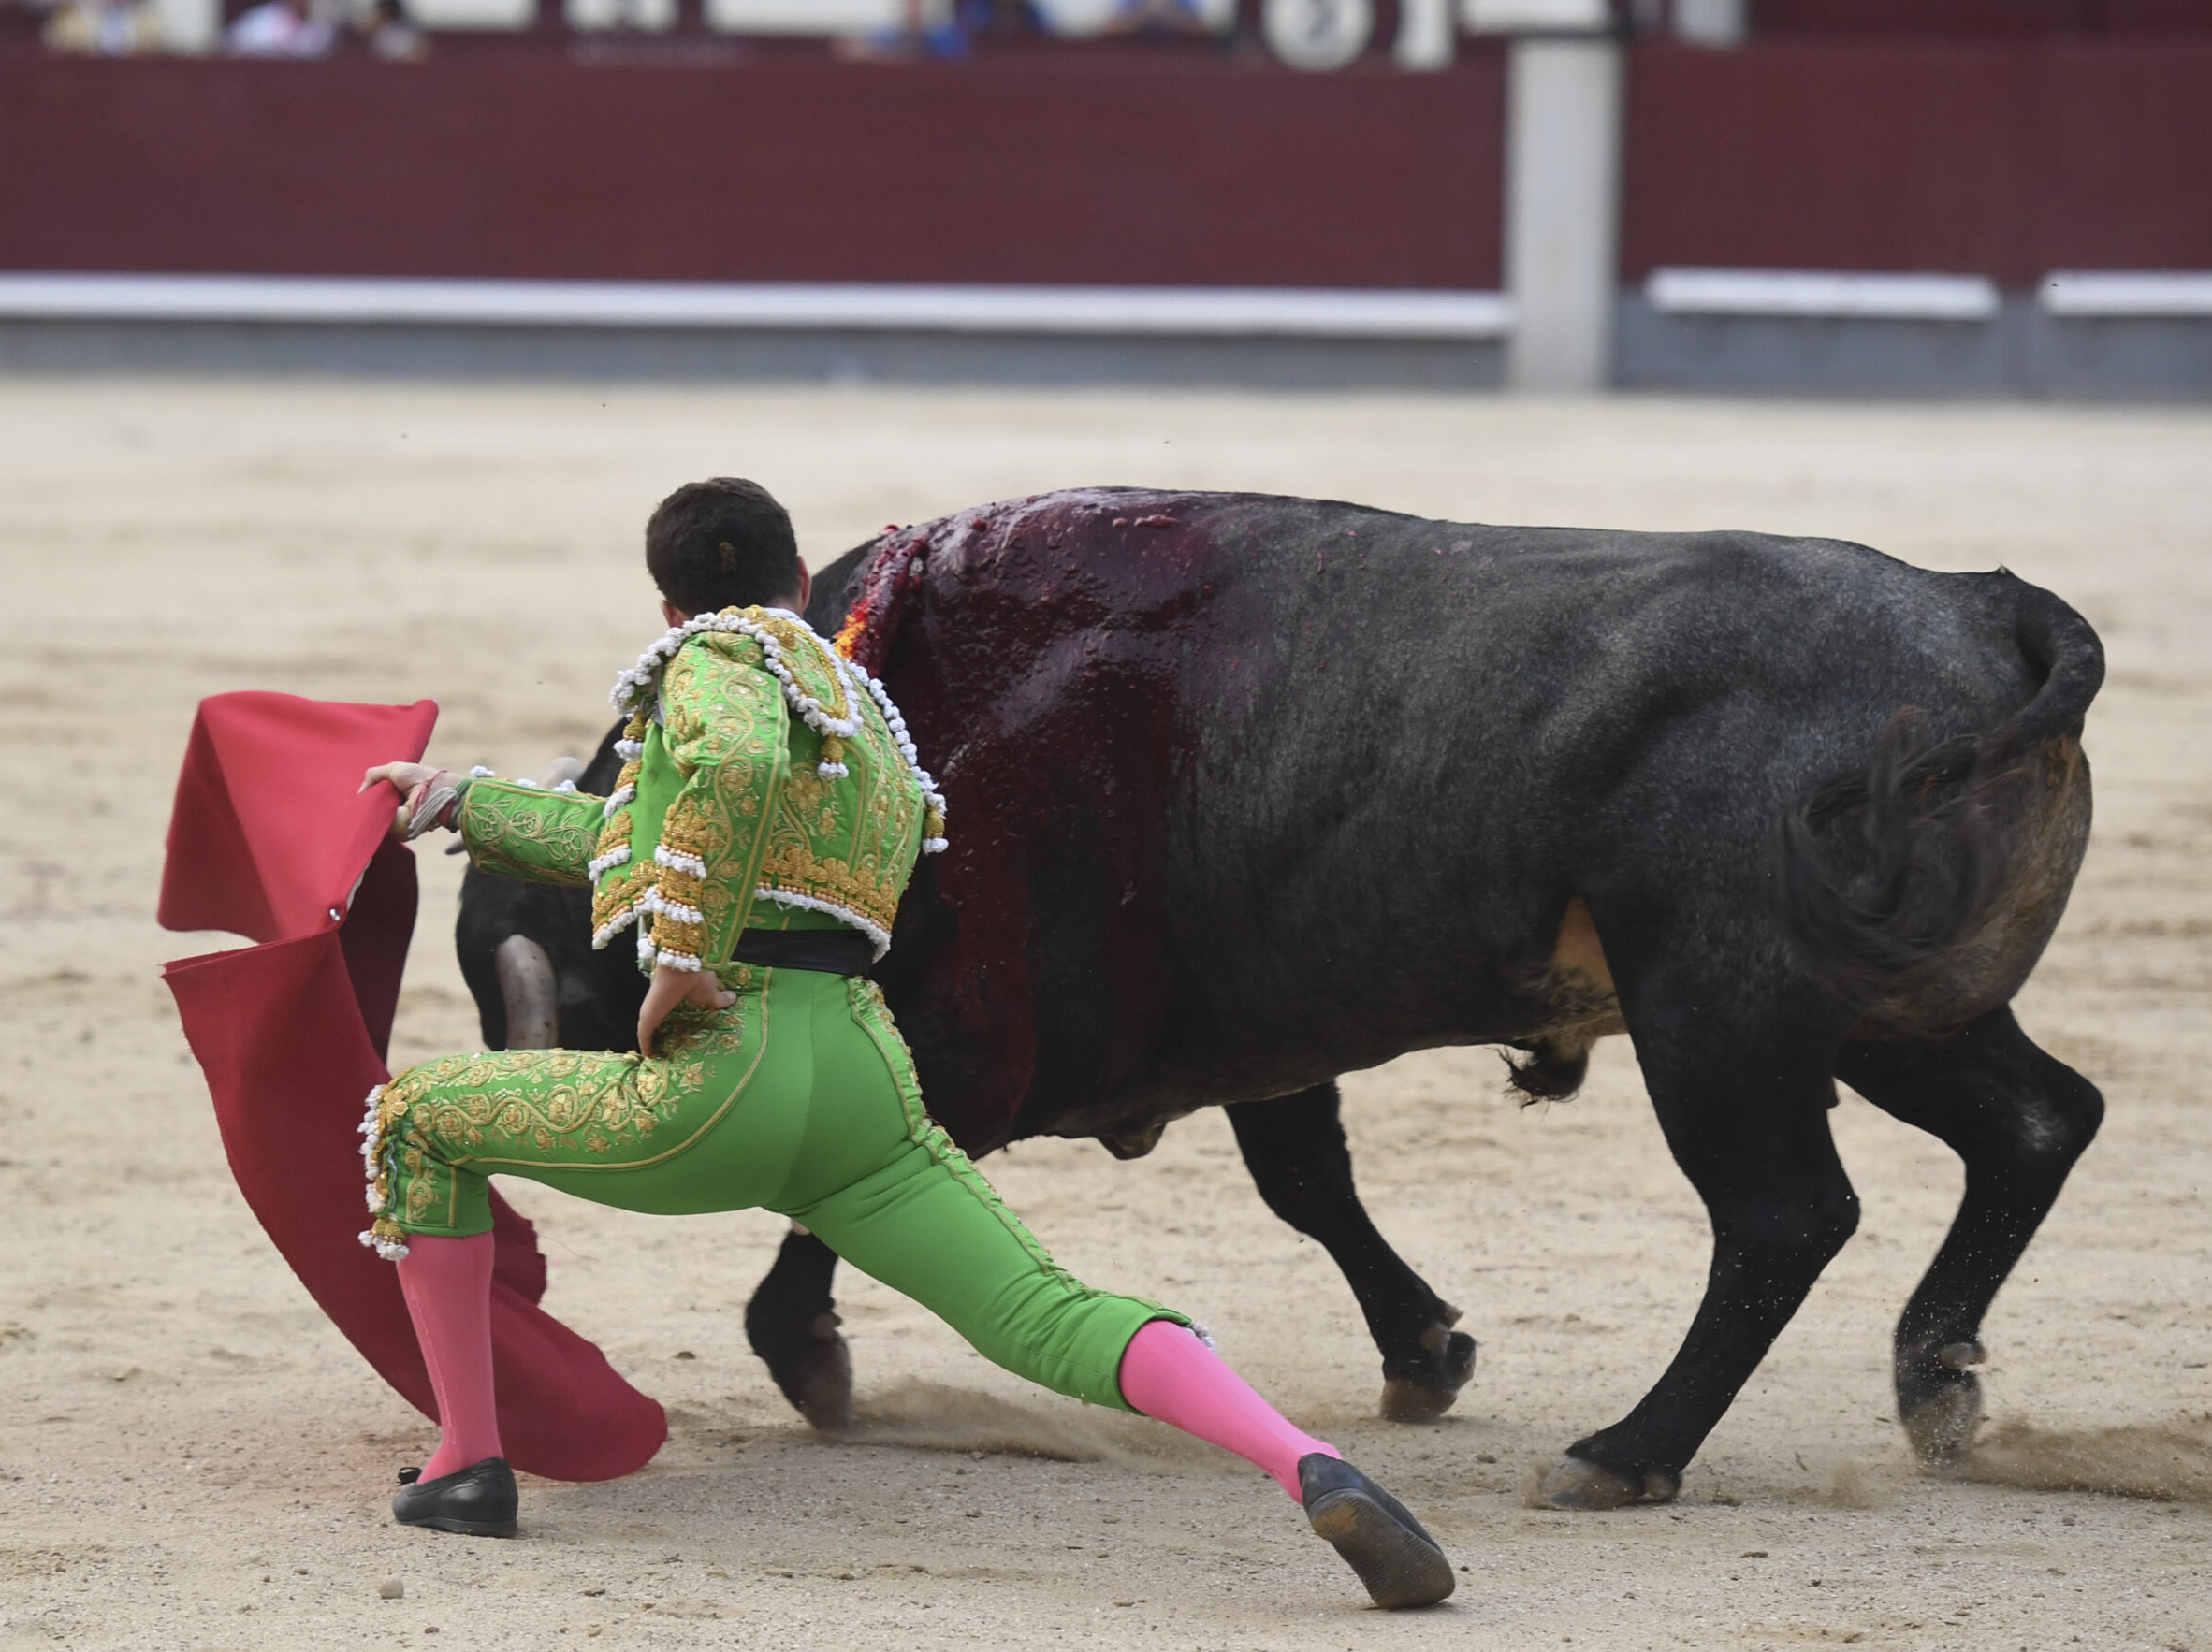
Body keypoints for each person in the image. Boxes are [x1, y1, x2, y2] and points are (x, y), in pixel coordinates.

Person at [355, 478, 1453, 1609]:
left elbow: (720, 772)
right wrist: (459, 802)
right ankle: (1303, 1459)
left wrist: (679, 951)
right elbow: (637, 831)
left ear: (670, 605)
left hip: (729, 1072)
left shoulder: (715, 662)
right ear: (795, 580)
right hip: (864, 1082)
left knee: (416, 1120)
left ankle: (466, 1465)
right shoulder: (856, 703)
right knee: (1046, 1311)